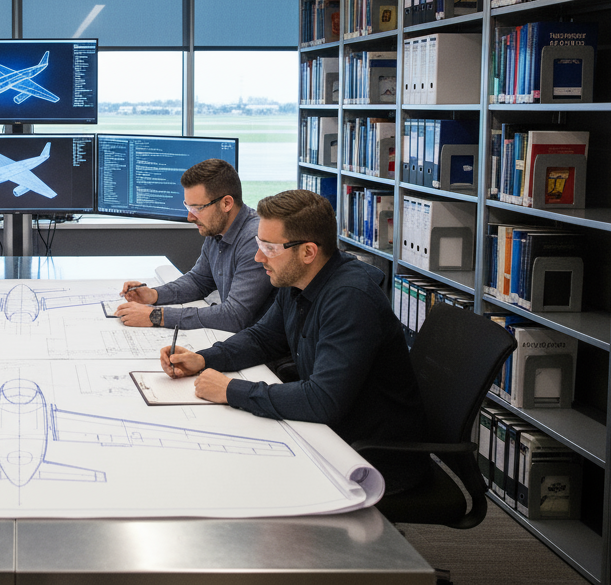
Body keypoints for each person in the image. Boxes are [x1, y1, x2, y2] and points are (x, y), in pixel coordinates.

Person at [160, 188, 428, 492]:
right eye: (259, 243)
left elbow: (322, 400)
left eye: (269, 248)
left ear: (308, 252)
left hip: (369, 456)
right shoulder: (296, 279)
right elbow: (263, 339)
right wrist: (205, 358)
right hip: (329, 431)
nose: (258, 257)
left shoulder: (350, 299)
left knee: (231, 481)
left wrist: (231, 390)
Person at [115, 158, 273, 332]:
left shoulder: (255, 240)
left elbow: (234, 316)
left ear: (226, 203)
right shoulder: (217, 229)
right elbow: (199, 281)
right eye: (188, 207)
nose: (190, 217)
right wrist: (154, 295)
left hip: (263, 350)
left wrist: (156, 315)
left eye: (197, 208)